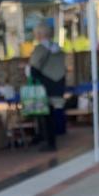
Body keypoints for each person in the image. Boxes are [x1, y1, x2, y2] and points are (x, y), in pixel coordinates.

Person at [28, 21, 66, 152]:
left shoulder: (40, 49)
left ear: (39, 34)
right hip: (58, 84)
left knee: (45, 115)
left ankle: (49, 142)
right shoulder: (58, 48)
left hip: (44, 85)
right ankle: (54, 138)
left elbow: (33, 68)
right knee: (54, 113)